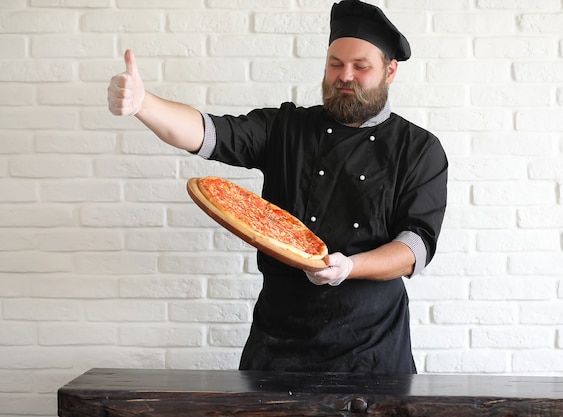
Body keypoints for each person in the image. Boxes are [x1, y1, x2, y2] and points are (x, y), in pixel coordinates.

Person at [108, 0, 447, 374]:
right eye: (335, 64)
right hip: (280, 342)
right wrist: (144, 104)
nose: (344, 76)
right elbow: (211, 133)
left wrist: (347, 267)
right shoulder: (286, 127)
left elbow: (415, 246)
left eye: (360, 67)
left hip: (372, 347)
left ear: (390, 70)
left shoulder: (418, 148)